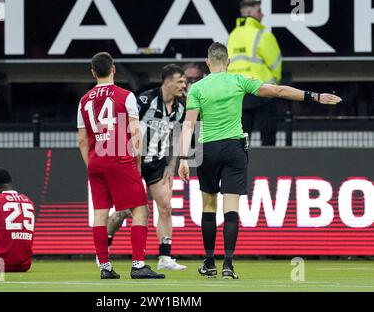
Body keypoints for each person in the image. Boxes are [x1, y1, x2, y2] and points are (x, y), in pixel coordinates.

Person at [178, 42, 341, 279]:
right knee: (231, 208)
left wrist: (183, 157)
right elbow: (278, 91)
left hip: (208, 149)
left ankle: (209, 263)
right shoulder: (238, 81)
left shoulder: (198, 88)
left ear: (207, 62)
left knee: (209, 206)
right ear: (229, 62)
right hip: (234, 147)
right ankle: (228, 266)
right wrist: (314, 96)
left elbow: (188, 124)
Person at [77, 52, 165, 279]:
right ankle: (138, 265)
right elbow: (136, 135)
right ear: (114, 69)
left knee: (100, 214)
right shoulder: (125, 96)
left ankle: (105, 268)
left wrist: (92, 165)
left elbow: (82, 140)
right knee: (140, 209)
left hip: (96, 161)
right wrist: (136, 164)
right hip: (120, 158)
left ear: (93, 72)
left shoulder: (84, 100)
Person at [104, 64, 188, 271]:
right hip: (133, 163)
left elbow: (177, 137)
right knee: (124, 211)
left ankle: (165, 258)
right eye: (180, 81)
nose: (183, 85)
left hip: (157, 164)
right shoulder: (145, 100)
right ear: (166, 83)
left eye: (184, 81)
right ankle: (104, 246)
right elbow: (124, 125)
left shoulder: (181, 108)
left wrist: (171, 164)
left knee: (166, 207)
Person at [227, 0, 282, 146]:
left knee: (240, 141)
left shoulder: (232, 36)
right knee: (268, 139)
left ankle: (241, 168)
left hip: (239, 94)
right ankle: (270, 168)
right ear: (250, 12)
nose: (262, 15)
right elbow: (276, 64)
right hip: (262, 91)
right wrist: (275, 84)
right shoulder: (263, 35)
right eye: (259, 11)